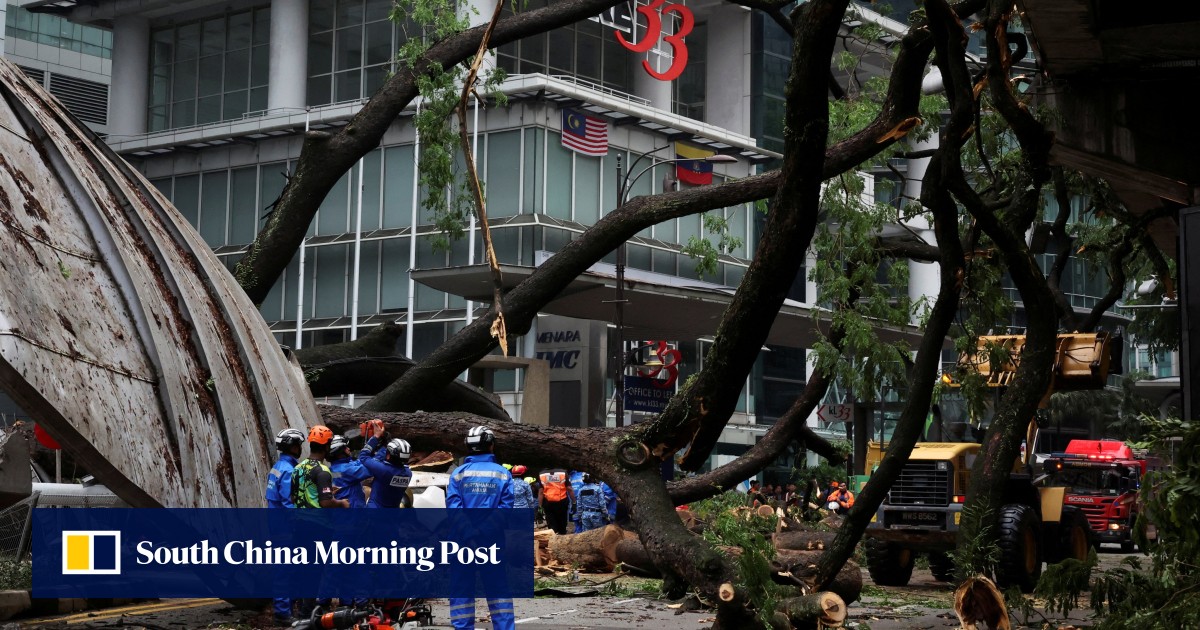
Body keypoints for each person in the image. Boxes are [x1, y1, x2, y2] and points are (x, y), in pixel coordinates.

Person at [446, 426, 515, 630]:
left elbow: (454, 508)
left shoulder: (458, 475)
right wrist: (483, 533)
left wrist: (470, 534)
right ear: (491, 445)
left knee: (461, 589)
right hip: (492, 540)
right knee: (498, 588)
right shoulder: (503, 474)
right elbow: (505, 509)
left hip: (462, 541)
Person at [265, 428, 303, 624]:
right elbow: (290, 503)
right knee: (285, 570)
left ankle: (286, 607)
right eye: (299, 445)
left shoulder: (278, 466)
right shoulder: (289, 470)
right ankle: (283, 612)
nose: (301, 448)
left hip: (276, 524)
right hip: (286, 527)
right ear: (293, 446)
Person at [358, 419, 413, 508]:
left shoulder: (383, 470)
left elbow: (364, 457)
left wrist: (376, 437)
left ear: (388, 456)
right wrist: (386, 445)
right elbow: (386, 462)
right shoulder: (408, 473)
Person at [291, 426, 349, 509]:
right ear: (326, 447)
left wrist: (324, 489)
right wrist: (341, 503)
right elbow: (326, 503)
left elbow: (292, 498)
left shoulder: (297, 468)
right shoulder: (323, 471)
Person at [327, 435, 370, 509]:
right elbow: (369, 469)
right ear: (340, 452)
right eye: (345, 447)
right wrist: (381, 451)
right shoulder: (344, 470)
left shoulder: (335, 468)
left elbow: (357, 462)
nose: (349, 449)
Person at [538, 467, 572, 535]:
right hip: (562, 502)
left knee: (551, 523)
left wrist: (540, 506)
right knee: (562, 522)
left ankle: (553, 537)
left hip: (548, 502)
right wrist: (574, 501)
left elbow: (541, 492)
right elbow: (569, 488)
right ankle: (562, 535)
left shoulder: (542, 474)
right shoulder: (563, 472)